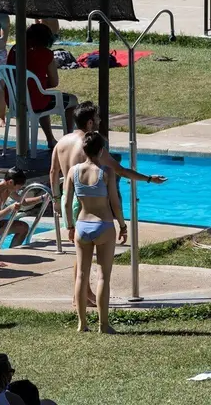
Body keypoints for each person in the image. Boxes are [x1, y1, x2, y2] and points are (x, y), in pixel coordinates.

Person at [50, 101, 166, 307]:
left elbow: (53, 173)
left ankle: (82, 295)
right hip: (87, 201)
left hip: (70, 197)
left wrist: (57, 200)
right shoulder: (91, 145)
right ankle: (83, 297)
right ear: (88, 122)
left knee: (81, 252)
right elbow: (120, 170)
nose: (100, 121)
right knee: (90, 255)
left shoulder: (61, 142)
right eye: (97, 118)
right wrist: (148, 178)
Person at [64, 132, 126, 334]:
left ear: (84, 150)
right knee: (103, 277)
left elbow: (66, 202)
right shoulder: (106, 172)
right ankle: (103, 324)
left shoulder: (73, 171)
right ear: (101, 150)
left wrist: (70, 227)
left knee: (81, 275)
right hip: (104, 225)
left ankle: (82, 323)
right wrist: (123, 225)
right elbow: (115, 203)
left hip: (82, 224)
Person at [5, 23, 76, 149]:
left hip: (13, 100)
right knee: (73, 101)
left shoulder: (15, 49)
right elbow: (54, 82)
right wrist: (38, 84)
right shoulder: (46, 54)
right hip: (35, 102)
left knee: (42, 98)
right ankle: (68, 141)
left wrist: (35, 85)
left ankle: (51, 140)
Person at [0, 168, 43, 248]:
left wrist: (42, 198)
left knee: (23, 228)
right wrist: (10, 208)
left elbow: (23, 201)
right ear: (11, 182)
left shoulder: (8, 189)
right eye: (18, 187)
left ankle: (12, 251)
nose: (18, 190)